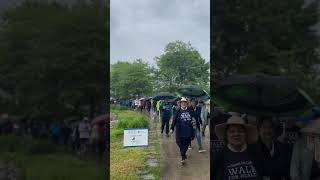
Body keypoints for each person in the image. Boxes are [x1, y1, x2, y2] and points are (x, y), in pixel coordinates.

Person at [211, 116, 263, 180]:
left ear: (245, 134)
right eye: (232, 131)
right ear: (226, 135)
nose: (236, 134)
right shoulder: (219, 157)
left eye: (240, 131)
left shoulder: (256, 153)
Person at [170, 97, 195, 164]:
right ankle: (183, 155)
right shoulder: (178, 111)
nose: (183, 104)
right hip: (180, 131)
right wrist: (172, 128)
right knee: (179, 142)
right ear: (180, 104)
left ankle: (183, 154)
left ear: (186, 104)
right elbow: (174, 120)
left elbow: (193, 119)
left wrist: (194, 127)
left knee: (187, 143)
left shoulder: (190, 111)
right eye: (182, 103)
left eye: (184, 103)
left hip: (188, 131)